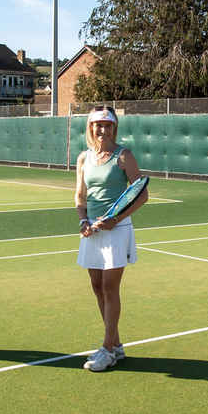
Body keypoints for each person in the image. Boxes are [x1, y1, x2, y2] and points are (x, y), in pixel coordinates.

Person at [75, 106, 148, 372]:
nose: (102, 130)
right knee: (96, 286)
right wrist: (83, 220)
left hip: (117, 230)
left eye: (107, 125)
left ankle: (106, 349)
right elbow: (80, 196)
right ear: (91, 128)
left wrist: (115, 220)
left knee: (109, 287)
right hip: (92, 230)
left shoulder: (123, 156)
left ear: (114, 128)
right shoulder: (84, 158)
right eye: (97, 125)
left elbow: (141, 194)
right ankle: (116, 345)